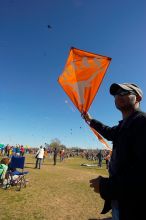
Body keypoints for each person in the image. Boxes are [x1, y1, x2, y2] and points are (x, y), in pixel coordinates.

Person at [81, 83, 146, 220]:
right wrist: (90, 120)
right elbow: (109, 132)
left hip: (136, 207)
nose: (119, 96)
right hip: (122, 203)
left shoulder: (142, 123)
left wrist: (106, 186)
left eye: (125, 92)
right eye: (116, 94)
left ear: (138, 97)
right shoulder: (124, 125)